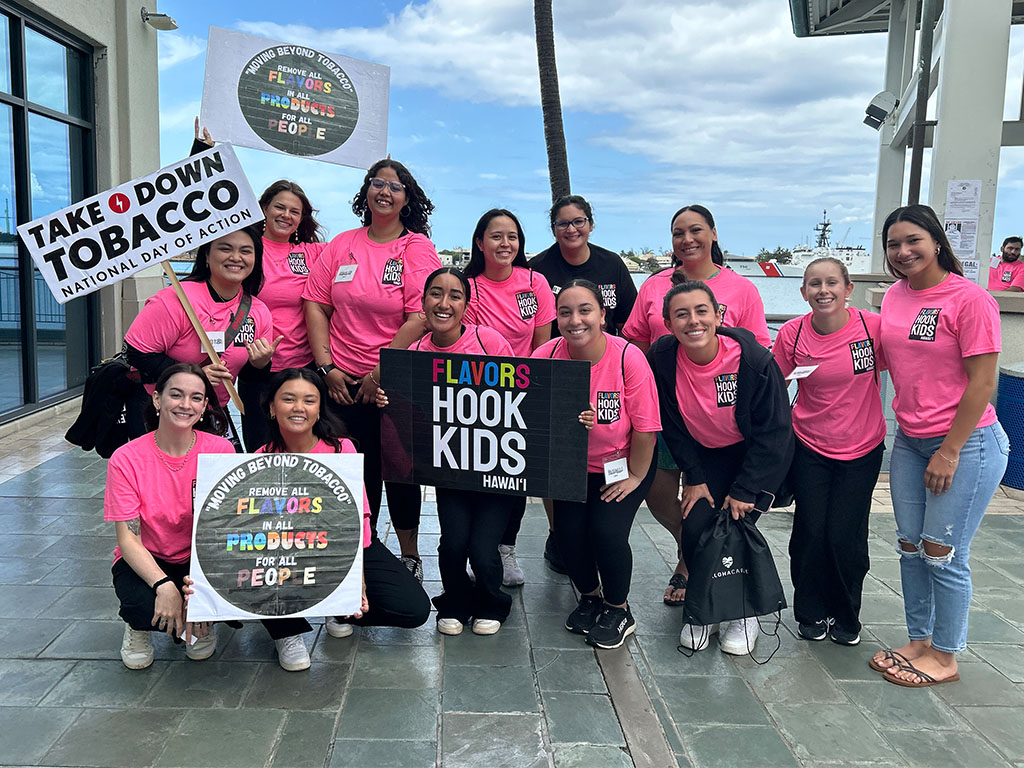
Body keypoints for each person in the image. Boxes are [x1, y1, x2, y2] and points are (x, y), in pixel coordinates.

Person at [871, 204, 1008, 687]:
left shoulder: (969, 300)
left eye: (913, 241)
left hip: (967, 444)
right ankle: (921, 638)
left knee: (942, 550)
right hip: (909, 440)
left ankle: (946, 655)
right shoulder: (894, 296)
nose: (903, 252)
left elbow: (983, 381)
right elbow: (885, 358)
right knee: (909, 545)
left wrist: (949, 450)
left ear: (936, 242)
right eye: (893, 244)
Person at [622, 205, 770, 606]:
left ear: (714, 234)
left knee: (702, 493)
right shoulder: (654, 287)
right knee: (656, 491)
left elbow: (756, 352)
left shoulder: (742, 289)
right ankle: (693, 546)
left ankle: (691, 563)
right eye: (678, 233)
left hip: (717, 417)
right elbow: (635, 342)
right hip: (661, 410)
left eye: (696, 230)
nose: (687, 239)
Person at [304, 159, 441, 580]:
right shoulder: (341, 244)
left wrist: (380, 371)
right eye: (377, 183)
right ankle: (357, 554)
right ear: (365, 192)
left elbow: (422, 314)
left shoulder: (414, 247)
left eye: (395, 186)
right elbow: (316, 302)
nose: (385, 191)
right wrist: (326, 368)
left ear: (407, 198)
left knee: (399, 469)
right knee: (351, 472)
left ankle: (410, 555)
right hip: (341, 382)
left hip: (394, 379)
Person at [649, 280, 793, 656]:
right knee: (696, 527)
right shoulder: (663, 358)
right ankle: (705, 611)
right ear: (668, 323)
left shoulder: (753, 360)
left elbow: (775, 431)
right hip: (705, 456)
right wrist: (693, 478)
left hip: (754, 457)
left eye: (701, 311)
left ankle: (745, 615)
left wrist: (746, 489)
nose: (692, 321)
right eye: (681, 314)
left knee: (735, 530)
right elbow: (673, 426)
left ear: (718, 315)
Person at [378, 268, 518, 635]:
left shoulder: (489, 341)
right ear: (423, 304)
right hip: (450, 471)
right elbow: (403, 408)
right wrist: (385, 398)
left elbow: (522, 398)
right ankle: (455, 599)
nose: (445, 303)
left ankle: (492, 601)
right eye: (436, 294)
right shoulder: (416, 352)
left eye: (455, 295)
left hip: (496, 471)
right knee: (453, 545)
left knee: (484, 551)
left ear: (466, 306)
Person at [260, 368, 430, 645]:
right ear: (272, 407)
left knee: (414, 608)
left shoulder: (342, 450)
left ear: (319, 409)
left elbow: (359, 515)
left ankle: (338, 610)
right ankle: (287, 632)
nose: (299, 408)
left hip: (346, 546)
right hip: (289, 552)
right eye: (289, 399)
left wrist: (355, 578)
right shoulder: (260, 459)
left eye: (309, 400)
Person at [533, 279, 660, 649]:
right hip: (573, 464)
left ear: (603, 315)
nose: (576, 320)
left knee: (606, 532)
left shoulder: (626, 357)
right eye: (565, 312)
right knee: (568, 535)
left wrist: (635, 476)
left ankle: (619, 608)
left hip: (623, 461)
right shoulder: (546, 356)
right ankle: (589, 596)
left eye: (585, 310)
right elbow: (524, 411)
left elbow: (646, 428)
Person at [774, 258, 887, 646]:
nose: (823, 291)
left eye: (832, 283)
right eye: (814, 284)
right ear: (803, 291)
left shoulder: (872, 328)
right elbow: (774, 389)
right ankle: (810, 611)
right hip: (809, 446)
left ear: (848, 289)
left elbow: (909, 367)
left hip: (863, 448)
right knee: (809, 532)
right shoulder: (792, 333)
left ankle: (845, 615)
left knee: (845, 536)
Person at [528, 194, 638, 575]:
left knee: (604, 530)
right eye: (563, 223)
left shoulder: (611, 264)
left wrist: (618, 361)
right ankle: (558, 532)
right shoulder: (538, 268)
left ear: (590, 224)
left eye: (578, 221)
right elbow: (536, 320)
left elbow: (631, 319)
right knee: (555, 463)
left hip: (605, 367)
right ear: (553, 229)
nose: (571, 229)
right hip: (558, 366)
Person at [105, 364, 233, 670]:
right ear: (157, 399)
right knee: (141, 604)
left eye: (196, 398)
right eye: (176, 395)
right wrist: (164, 585)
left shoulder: (221, 451)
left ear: (204, 407)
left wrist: (201, 590)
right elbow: (128, 539)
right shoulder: (127, 459)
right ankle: (138, 626)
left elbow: (227, 529)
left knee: (235, 590)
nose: (185, 405)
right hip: (148, 558)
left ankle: (202, 622)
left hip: (200, 556)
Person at [462, 208, 556, 586]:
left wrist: (527, 390)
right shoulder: (468, 285)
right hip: (475, 389)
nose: (505, 244)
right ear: (480, 242)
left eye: (512, 236)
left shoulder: (535, 283)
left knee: (515, 477)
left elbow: (543, 342)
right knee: (474, 474)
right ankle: (476, 548)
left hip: (521, 392)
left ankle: (506, 548)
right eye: (496, 236)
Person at [124, 225, 278, 449]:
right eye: (225, 249)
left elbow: (245, 376)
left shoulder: (259, 311)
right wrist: (195, 377)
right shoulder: (174, 300)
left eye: (246, 251)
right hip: (161, 411)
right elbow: (135, 352)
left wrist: (260, 364)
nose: (236, 257)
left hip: (213, 411)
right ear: (207, 255)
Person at [239, 180, 329, 450]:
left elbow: (361, 250)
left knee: (305, 451)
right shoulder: (246, 250)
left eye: (295, 211)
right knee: (260, 451)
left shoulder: (314, 253)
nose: (286, 216)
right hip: (256, 368)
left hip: (304, 370)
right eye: (279, 207)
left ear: (302, 219)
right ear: (264, 208)